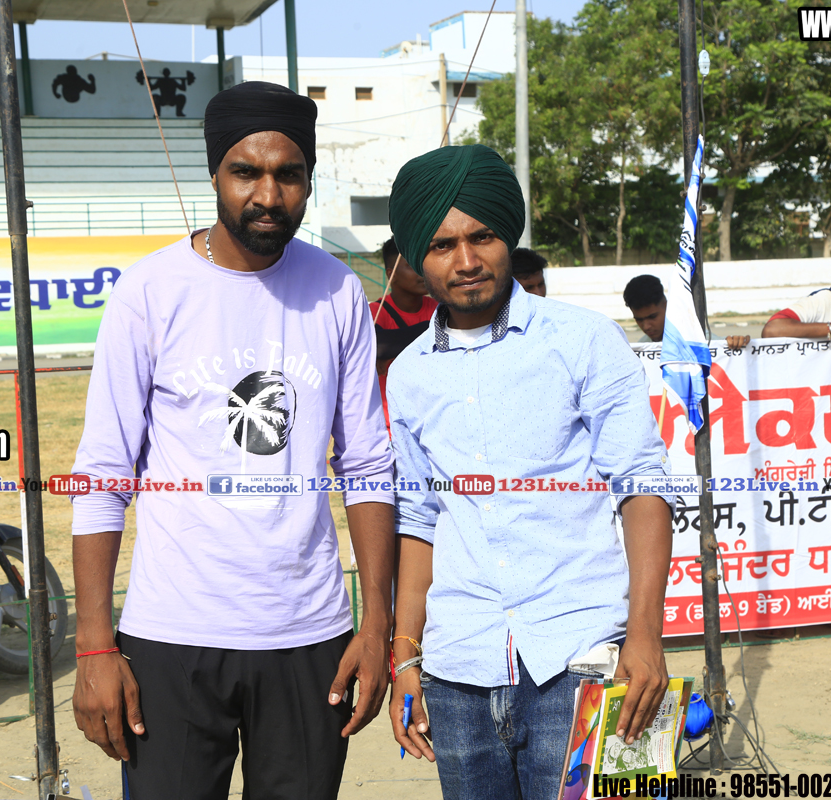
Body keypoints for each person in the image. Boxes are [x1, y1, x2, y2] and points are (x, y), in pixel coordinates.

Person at [70, 81, 395, 800]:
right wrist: (93, 645)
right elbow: (102, 473)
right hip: (173, 633)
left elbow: (368, 464)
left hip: (310, 633)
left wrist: (376, 625)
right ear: (215, 173)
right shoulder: (150, 290)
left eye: (289, 174)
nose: (268, 195)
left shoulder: (338, 291)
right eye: (246, 172)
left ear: (309, 178)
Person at [384, 144, 675, 800]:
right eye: (441, 245)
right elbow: (419, 519)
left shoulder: (584, 338)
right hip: (458, 670)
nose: (465, 260)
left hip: (587, 655)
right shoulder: (408, 374)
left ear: (507, 238)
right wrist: (406, 655)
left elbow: (641, 485)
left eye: (482, 237)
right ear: (417, 259)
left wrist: (646, 635)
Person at [367, 237, 437, 429]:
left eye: (422, 263)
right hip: (389, 427)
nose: (422, 271)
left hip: (431, 423)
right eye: (411, 265)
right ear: (391, 274)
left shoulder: (440, 309)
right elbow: (379, 345)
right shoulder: (375, 312)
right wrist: (434, 330)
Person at [623, 274, 750, 349]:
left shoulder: (696, 337)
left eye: (652, 317)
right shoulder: (642, 348)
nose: (646, 326)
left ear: (667, 306)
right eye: (639, 320)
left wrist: (735, 343)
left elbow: (721, 345)